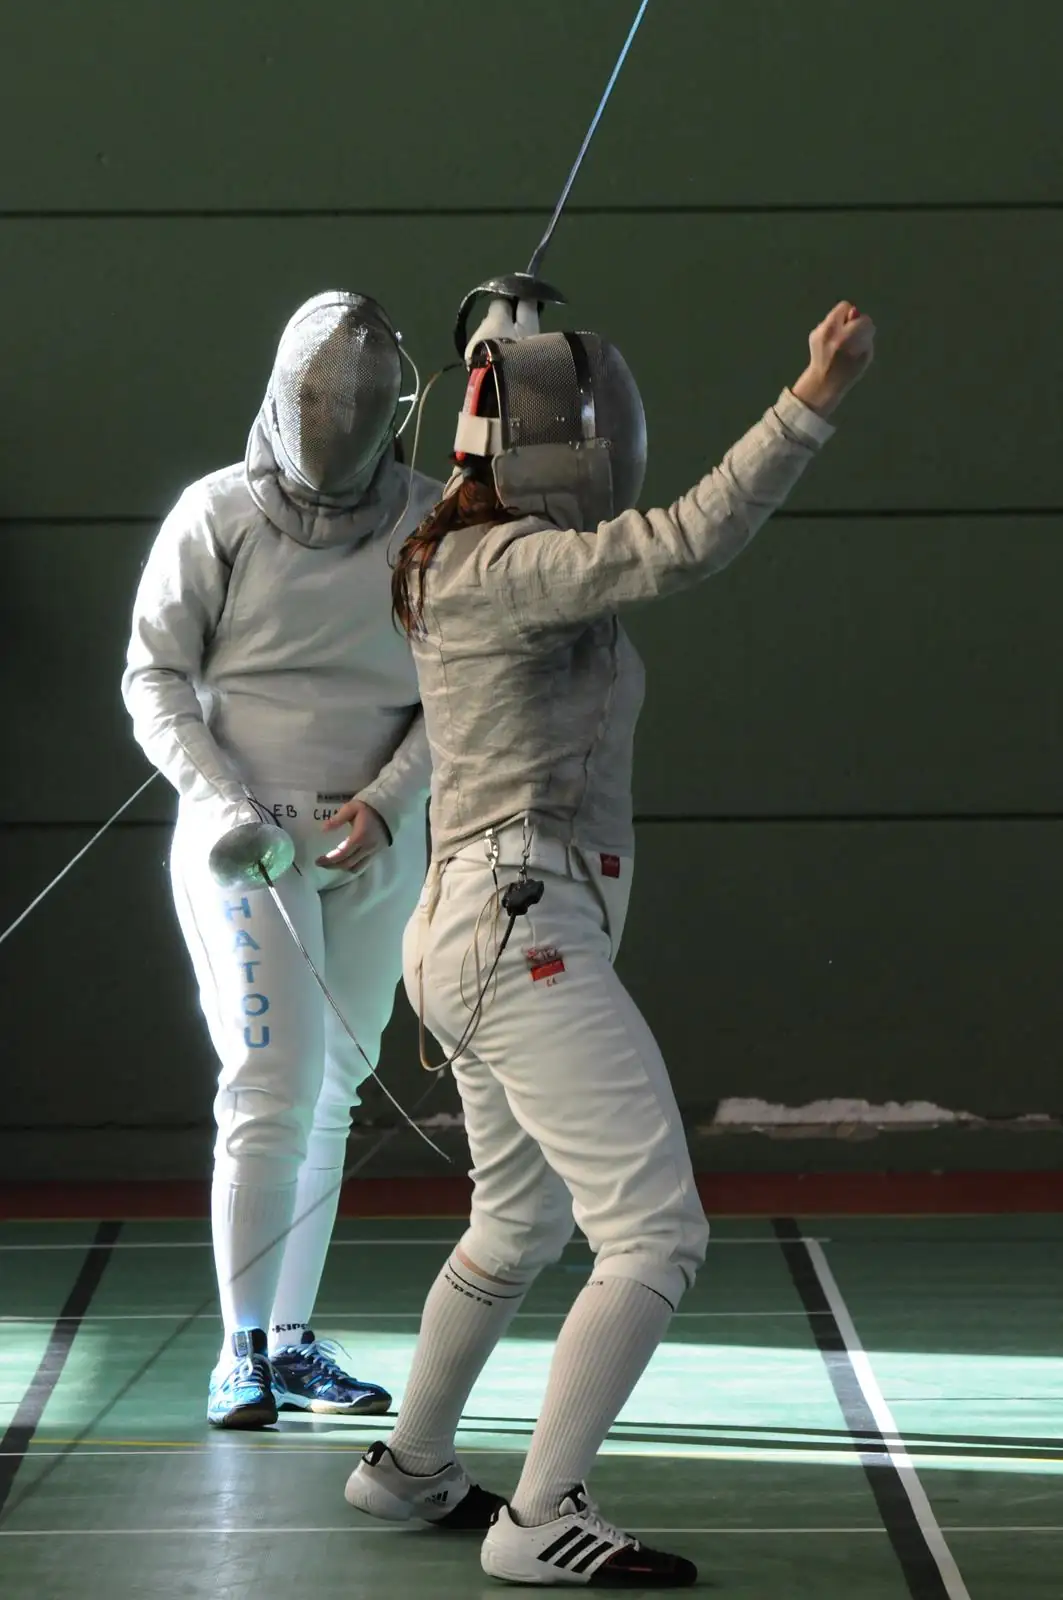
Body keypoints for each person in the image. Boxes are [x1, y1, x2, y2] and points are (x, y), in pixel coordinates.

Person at [343, 302, 876, 1584]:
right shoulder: (506, 567)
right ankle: (540, 1517)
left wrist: (507, 332)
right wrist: (810, 399)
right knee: (654, 1231)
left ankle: (410, 1464)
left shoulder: (462, 547)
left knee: (516, 1222)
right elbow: (684, 541)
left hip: (480, 929)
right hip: (521, 933)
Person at [123, 291, 440, 1430]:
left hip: (371, 837)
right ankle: (240, 1348)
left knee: (336, 1087)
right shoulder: (215, 514)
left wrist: (391, 803)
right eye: (319, 404)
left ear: (390, 412)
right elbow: (153, 675)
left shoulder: (431, 522)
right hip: (242, 842)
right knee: (269, 1078)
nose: (336, 424)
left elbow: (463, 688)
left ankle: (292, 1339)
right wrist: (221, 803)